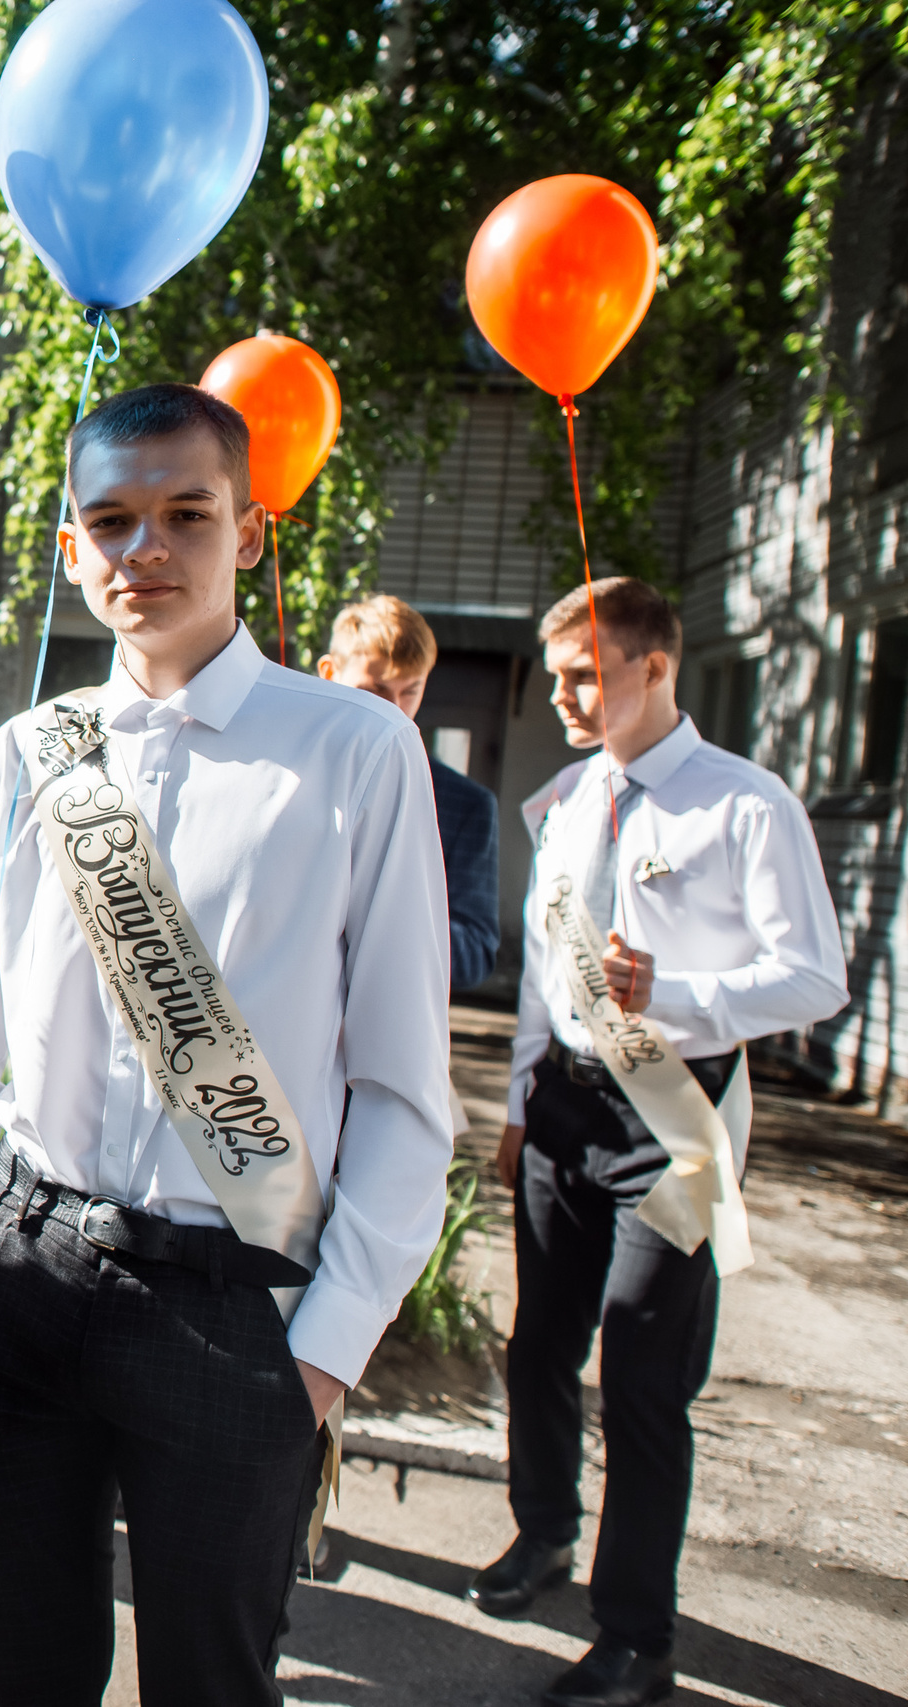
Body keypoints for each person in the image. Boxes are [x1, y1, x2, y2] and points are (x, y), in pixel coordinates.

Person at [0, 384, 457, 1706]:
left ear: (250, 533)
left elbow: (401, 1089)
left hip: (232, 1305)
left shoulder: (354, 753)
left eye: (185, 514)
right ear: (69, 549)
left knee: (212, 1681)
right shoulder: (26, 758)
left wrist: (321, 1353)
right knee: (30, 1672)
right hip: (18, 1275)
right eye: (113, 519)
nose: (147, 548)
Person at [470, 578, 845, 1707]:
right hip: (565, 1108)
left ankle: (636, 1634)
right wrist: (518, 1104)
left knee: (638, 1375)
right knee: (538, 1347)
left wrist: (671, 991)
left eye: (588, 673)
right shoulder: (571, 798)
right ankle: (542, 1532)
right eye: (560, 676)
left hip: (670, 1122)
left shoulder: (744, 805)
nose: (569, 696)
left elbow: (813, 976)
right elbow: (547, 968)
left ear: (654, 667)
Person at [318, 594, 500, 990]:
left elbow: (475, 954)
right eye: (378, 690)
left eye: (410, 692)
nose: (395, 711)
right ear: (329, 673)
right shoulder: (286, 776)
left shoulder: (467, 804)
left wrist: (375, 917)